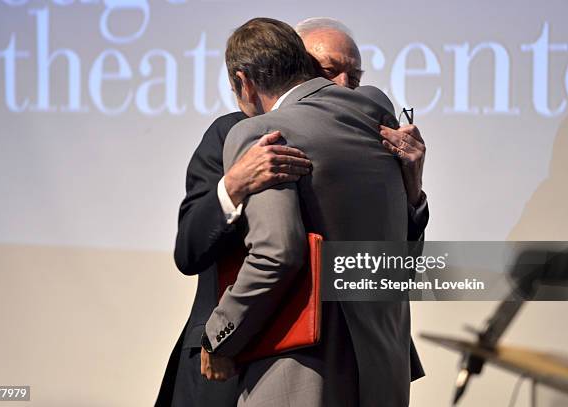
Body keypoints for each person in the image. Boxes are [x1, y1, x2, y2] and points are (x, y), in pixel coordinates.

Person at [155, 17, 428, 407]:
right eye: (329, 72)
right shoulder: (239, 131)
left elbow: (394, 271)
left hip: (341, 362)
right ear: (296, 67)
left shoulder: (379, 134)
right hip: (242, 360)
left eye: (355, 75)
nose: (342, 86)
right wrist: (232, 188)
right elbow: (190, 250)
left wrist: (413, 191)